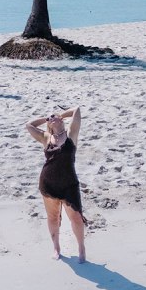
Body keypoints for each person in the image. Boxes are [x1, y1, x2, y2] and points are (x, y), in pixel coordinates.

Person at [25, 106, 87, 262]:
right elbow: (29, 125)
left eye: (55, 116)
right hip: (48, 183)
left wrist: (60, 115)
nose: (52, 118)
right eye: (49, 118)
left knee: (77, 218)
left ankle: (81, 248)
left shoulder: (71, 134)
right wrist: (47, 118)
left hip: (69, 184)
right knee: (53, 217)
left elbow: (77, 110)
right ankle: (56, 247)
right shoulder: (46, 138)